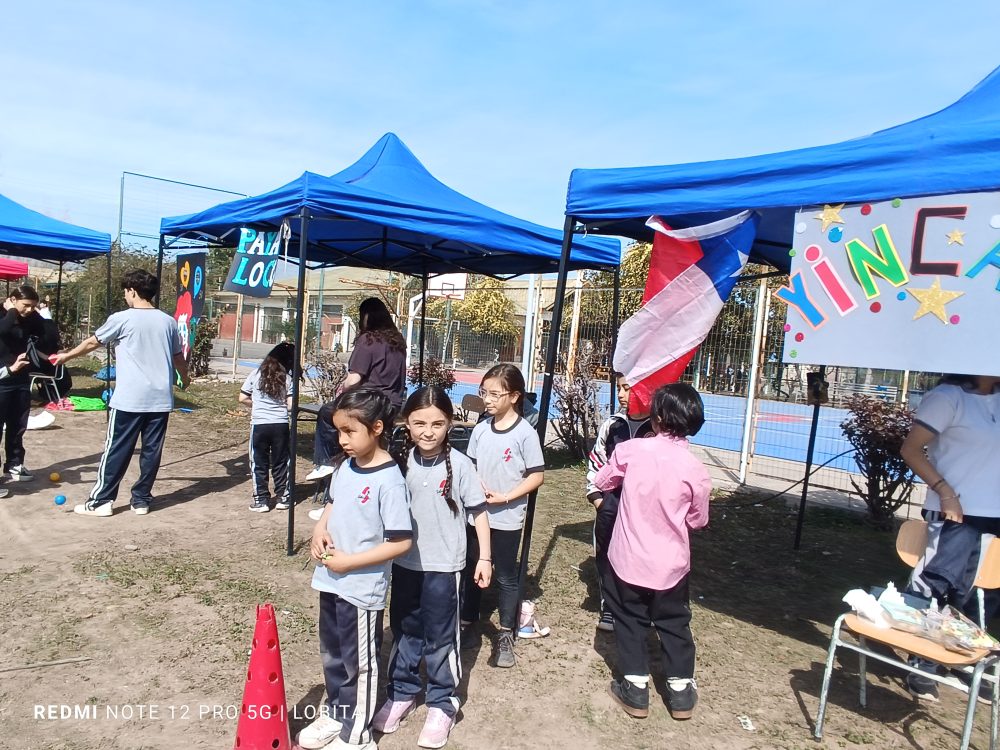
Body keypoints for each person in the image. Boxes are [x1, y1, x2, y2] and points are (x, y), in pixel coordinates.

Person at [374, 385, 492, 748]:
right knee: (406, 628)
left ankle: (443, 702)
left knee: (442, 636)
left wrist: (484, 557)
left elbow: (478, 513)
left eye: (437, 424)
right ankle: (403, 693)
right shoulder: (397, 463)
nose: (428, 431)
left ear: (450, 424)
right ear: (406, 423)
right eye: (420, 423)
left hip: (445, 567)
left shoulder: (461, 465)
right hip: (405, 565)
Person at [297, 388, 413, 750]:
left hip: (361, 590)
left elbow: (401, 542)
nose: (343, 440)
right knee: (332, 654)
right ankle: (337, 713)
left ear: (377, 427)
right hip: (330, 580)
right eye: (338, 432)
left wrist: (350, 562)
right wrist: (320, 529)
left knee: (359, 662)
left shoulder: (390, 481)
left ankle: (358, 735)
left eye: (350, 432)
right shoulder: (346, 466)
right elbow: (333, 503)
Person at [594, 383, 711, 721]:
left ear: (656, 418)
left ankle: (634, 688)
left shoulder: (631, 451)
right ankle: (680, 691)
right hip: (671, 565)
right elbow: (698, 519)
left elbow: (604, 480)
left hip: (627, 558)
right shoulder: (696, 470)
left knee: (629, 620)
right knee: (675, 622)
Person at [53, 269, 189, 517]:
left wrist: (67, 356)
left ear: (132, 291)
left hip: (130, 399)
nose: (125, 295)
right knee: (151, 451)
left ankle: (101, 501)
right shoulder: (168, 321)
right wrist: (185, 378)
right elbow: (179, 358)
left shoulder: (122, 318)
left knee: (116, 449)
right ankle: (141, 500)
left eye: (126, 291)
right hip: (160, 399)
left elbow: (93, 342)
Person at [899, 373, 1000, 702]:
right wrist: (945, 493)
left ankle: (961, 656)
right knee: (937, 583)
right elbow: (911, 449)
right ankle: (921, 659)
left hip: (994, 514)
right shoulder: (948, 397)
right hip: (955, 510)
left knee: (981, 592)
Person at [460, 363, 545, 668]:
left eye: (495, 394)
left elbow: (537, 475)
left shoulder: (524, 433)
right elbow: (469, 465)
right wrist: (476, 485)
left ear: (514, 396)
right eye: (484, 392)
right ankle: (467, 624)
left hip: (508, 517)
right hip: (477, 517)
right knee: (472, 569)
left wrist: (507, 496)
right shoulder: (481, 430)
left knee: (507, 575)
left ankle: (506, 633)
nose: (488, 399)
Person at [308, 298, 407, 482]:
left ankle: (327, 462)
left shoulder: (368, 339)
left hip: (368, 402)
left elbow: (354, 379)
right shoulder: (398, 340)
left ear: (367, 316)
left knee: (327, 412)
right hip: (393, 405)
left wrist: (341, 389)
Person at [585, 373, 653, 632]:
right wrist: (598, 499)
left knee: (640, 557)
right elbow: (597, 463)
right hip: (611, 505)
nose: (622, 395)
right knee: (608, 555)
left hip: (645, 512)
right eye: (620, 389)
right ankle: (610, 607)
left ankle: (639, 607)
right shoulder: (612, 425)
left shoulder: (658, 428)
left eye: (628, 389)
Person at [239, 342, 295, 513]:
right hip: (280, 424)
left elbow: (242, 398)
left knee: (259, 462)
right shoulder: (287, 378)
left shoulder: (255, 375)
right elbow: (291, 405)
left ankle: (261, 500)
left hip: (259, 424)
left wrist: (256, 405)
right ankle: (283, 498)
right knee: (281, 461)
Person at [0, 285, 47, 481]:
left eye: (33, 306)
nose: (29, 310)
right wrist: (11, 310)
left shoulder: (28, 318)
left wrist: (31, 311)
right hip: (2, 379)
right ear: (12, 299)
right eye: (26, 305)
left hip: (20, 379)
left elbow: (45, 328)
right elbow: (2, 330)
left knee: (18, 425)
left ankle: (14, 464)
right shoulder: (4, 315)